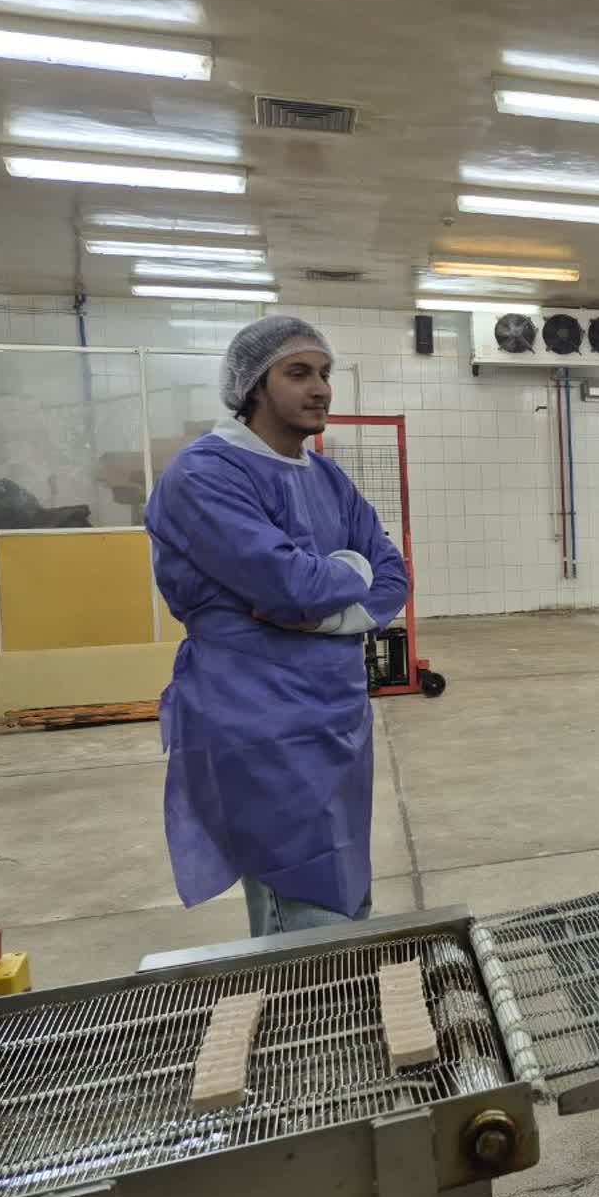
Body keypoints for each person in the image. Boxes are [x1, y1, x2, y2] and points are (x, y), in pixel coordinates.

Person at [146, 316, 410, 938]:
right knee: (301, 907)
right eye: (298, 373)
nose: (320, 388)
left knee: (345, 886)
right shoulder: (205, 476)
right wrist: (346, 575)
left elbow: (392, 576)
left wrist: (325, 615)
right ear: (253, 387)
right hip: (258, 715)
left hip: (337, 715)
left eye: (324, 373)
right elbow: (291, 585)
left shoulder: (326, 477)